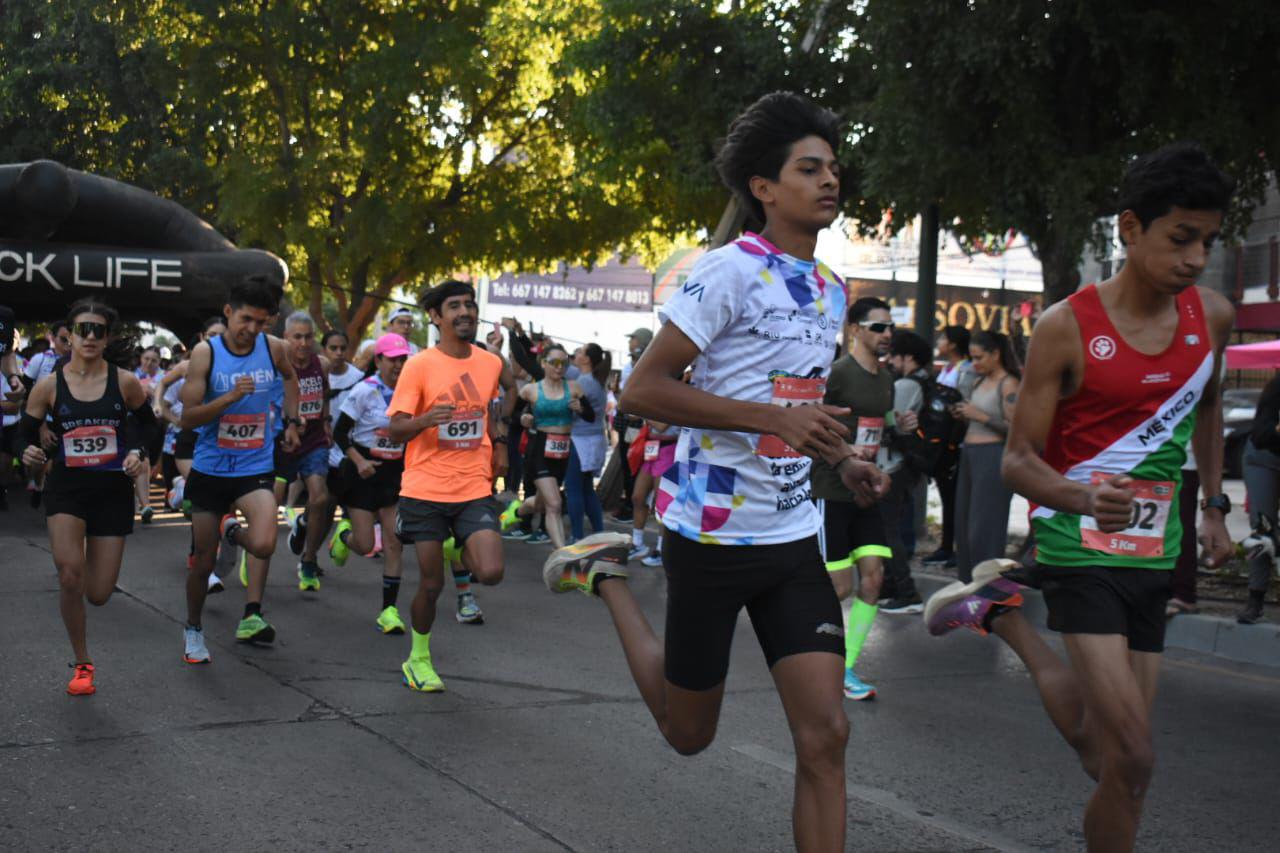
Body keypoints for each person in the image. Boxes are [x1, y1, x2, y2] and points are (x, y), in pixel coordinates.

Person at [542, 92, 886, 852]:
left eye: (833, 167)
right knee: (688, 734)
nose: (830, 180)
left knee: (827, 735)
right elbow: (644, 389)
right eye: (809, 169)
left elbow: (795, 402)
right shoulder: (729, 271)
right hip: (712, 534)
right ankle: (605, 577)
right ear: (764, 187)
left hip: (792, 535)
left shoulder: (830, 288)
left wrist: (841, 458)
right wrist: (771, 420)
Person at [925, 142, 1235, 853]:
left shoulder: (1212, 316)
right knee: (1135, 757)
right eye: (1180, 238)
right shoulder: (1067, 326)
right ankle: (1007, 614)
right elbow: (1017, 462)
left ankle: (1004, 618)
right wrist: (1084, 497)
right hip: (1078, 545)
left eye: (1208, 242)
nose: (1195, 258)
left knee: (1111, 762)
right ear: (1130, 228)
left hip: (1154, 551)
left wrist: (1215, 505)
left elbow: (1211, 405)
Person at [19, 299, 158, 695]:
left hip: (112, 491)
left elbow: (149, 428)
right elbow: (23, 434)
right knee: (69, 575)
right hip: (67, 489)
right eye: (84, 329)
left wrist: (138, 452)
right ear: (70, 336)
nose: (91, 337)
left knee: (97, 594)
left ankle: (83, 595)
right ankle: (82, 663)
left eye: (99, 330)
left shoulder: (124, 382)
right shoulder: (49, 386)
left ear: (108, 337)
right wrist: (26, 451)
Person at [386, 280, 513, 692]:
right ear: (436, 317)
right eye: (454, 306)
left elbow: (501, 399)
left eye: (469, 305)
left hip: (473, 485)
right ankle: (418, 658)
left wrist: (500, 441)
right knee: (432, 584)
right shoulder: (419, 365)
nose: (464, 312)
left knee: (490, 572)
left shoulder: (489, 363)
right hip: (425, 488)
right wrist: (425, 420)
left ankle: (455, 544)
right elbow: (396, 429)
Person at [180, 277, 300, 664]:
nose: (252, 329)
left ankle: (230, 529)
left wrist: (292, 421)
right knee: (204, 562)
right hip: (211, 468)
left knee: (264, 544)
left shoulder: (274, 348)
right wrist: (229, 397)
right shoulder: (206, 353)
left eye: (261, 322)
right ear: (229, 312)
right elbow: (187, 418)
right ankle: (193, 627)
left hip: (254, 464)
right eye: (245, 319)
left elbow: (290, 378)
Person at [810, 296, 903, 701]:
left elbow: (883, 426)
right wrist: (846, 450)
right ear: (855, 330)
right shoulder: (838, 373)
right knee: (839, 587)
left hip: (866, 490)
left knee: (874, 579)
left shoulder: (886, 379)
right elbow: (814, 421)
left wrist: (902, 426)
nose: (887, 334)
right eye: (878, 327)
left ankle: (844, 667)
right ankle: (809, 657)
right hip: (830, 489)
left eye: (891, 327)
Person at [328, 333, 411, 633]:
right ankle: (343, 537)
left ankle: (389, 610)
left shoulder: (411, 391)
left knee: (393, 542)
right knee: (365, 545)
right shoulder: (364, 390)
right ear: (378, 360)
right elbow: (340, 433)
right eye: (393, 360)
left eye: (403, 359)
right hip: (363, 471)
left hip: (393, 473)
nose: (398, 365)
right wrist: (359, 461)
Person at [951, 330, 1021, 581]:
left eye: (979, 357)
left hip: (992, 455)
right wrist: (963, 415)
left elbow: (1016, 428)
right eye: (972, 358)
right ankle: (968, 582)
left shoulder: (1008, 383)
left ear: (995, 354)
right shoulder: (978, 382)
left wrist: (980, 416)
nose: (975, 364)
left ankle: (989, 587)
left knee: (984, 527)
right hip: (970, 454)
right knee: (964, 525)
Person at [271, 312, 332, 589]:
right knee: (273, 501)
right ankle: (255, 553)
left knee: (320, 498)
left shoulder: (322, 364)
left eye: (308, 337)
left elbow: (325, 394)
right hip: (283, 440)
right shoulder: (277, 365)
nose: (303, 343)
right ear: (286, 338)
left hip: (314, 440)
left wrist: (327, 421)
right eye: (297, 337)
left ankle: (309, 558)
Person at [508, 344, 590, 549]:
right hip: (539, 448)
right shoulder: (530, 390)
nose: (559, 367)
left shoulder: (574, 388)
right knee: (554, 504)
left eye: (564, 363)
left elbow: (591, 416)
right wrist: (523, 418)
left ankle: (515, 512)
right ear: (543, 363)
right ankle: (562, 554)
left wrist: (581, 409)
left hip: (563, 451)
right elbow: (512, 416)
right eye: (554, 362)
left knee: (541, 503)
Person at [878, 329, 931, 613]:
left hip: (894, 464)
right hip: (906, 463)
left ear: (907, 357)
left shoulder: (906, 385)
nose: (890, 361)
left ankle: (907, 592)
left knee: (889, 531)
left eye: (894, 356)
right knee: (889, 528)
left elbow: (890, 421)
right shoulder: (924, 382)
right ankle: (890, 586)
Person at [923, 325, 972, 567]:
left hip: (956, 440)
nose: (940, 341)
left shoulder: (966, 369)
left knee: (955, 497)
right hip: (941, 439)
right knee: (946, 495)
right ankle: (946, 546)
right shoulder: (947, 369)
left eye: (943, 338)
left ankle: (956, 547)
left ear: (953, 344)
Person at [1239, 371, 1280, 624]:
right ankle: (1255, 600)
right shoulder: (1275, 389)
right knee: (1263, 528)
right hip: (1263, 457)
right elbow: (1261, 434)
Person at [20, 320, 71, 507]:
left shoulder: (83, 360)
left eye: (71, 339)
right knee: (39, 461)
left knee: (58, 463)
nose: (68, 344)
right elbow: (26, 392)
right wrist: (41, 427)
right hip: (43, 419)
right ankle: (38, 484)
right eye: (63, 339)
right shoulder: (39, 359)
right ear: (53, 338)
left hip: (69, 420)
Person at [566, 343, 611, 542]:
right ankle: (598, 532)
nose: (576, 354)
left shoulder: (584, 382)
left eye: (580, 351)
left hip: (580, 440)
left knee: (574, 488)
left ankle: (576, 536)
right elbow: (567, 368)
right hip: (593, 439)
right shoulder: (595, 379)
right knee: (586, 488)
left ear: (586, 359)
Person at [626, 415, 679, 566]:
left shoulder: (674, 402)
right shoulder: (655, 404)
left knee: (661, 503)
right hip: (652, 448)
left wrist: (641, 413)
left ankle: (662, 550)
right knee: (638, 497)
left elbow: (662, 426)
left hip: (669, 449)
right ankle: (638, 544)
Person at [611, 327, 653, 521]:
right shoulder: (628, 366)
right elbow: (625, 396)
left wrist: (640, 413)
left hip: (641, 425)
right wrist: (617, 393)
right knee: (627, 464)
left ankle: (634, 506)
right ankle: (629, 503)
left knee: (635, 466)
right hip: (625, 420)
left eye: (633, 339)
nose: (629, 342)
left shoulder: (651, 366)